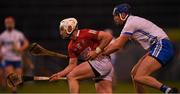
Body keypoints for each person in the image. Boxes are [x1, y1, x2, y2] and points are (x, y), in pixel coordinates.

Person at [102, 3, 179, 93]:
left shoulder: (130, 23)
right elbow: (117, 42)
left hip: (161, 45)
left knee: (139, 76)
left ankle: (169, 91)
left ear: (123, 14)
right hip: (158, 46)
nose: (115, 18)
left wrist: (101, 53)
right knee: (134, 74)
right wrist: (100, 50)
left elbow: (118, 45)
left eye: (116, 15)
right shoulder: (131, 22)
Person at [50, 18, 114, 93]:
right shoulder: (71, 46)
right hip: (101, 65)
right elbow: (72, 65)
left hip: (101, 62)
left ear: (71, 27)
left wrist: (96, 51)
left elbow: (108, 37)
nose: (61, 32)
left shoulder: (86, 33)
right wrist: (59, 74)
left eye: (63, 29)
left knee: (71, 76)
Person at [0, 16, 29, 92]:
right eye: (7, 22)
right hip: (8, 59)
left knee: (18, 76)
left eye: (10, 22)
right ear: (5, 24)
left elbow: (26, 43)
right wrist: (1, 54)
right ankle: (14, 91)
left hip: (17, 58)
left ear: (13, 23)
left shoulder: (18, 34)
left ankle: (16, 85)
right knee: (11, 75)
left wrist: (20, 48)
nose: (9, 24)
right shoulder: (3, 35)